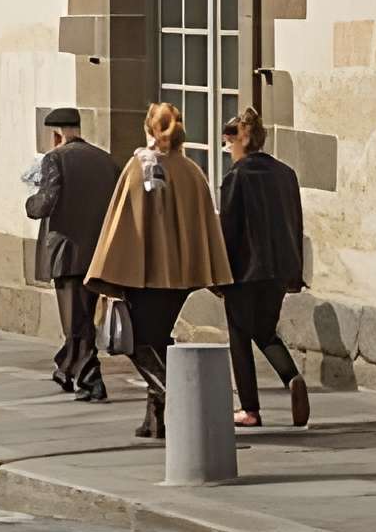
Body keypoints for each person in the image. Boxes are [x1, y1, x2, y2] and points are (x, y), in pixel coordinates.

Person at [86, 101, 232, 440]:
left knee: (137, 343)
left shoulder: (139, 168)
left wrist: (109, 275)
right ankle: (157, 420)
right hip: (180, 277)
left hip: (145, 276)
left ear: (149, 130)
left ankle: (175, 396)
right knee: (158, 339)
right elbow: (203, 225)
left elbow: (122, 225)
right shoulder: (193, 171)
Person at [219, 105, 309, 429]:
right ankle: (292, 377)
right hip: (279, 270)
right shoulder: (286, 174)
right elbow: (295, 223)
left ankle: (250, 409)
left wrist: (219, 277)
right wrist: (294, 272)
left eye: (229, 144)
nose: (228, 150)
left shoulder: (237, 176)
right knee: (265, 330)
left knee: (239, 336)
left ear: (242, 141)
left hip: (245, 272)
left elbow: (228, 229)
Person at [24, 107, 122, 404]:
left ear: (56, 133)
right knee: (82, 315)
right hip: (98, 252)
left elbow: (46, 203)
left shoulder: (55, 159)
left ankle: (91, 381)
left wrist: (31, 201)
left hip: (66, 252)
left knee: (75, 322)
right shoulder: (106, 160)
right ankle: (65, 366)